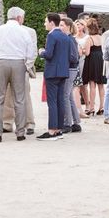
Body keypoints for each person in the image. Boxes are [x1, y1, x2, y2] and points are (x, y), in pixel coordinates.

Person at [0, 7, 36, 143]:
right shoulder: (24, 32)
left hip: (1, 62)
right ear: (19, 18)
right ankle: (20, 132)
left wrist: (0, 57)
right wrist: (25, 64)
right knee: (19, 99)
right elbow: (30, 53)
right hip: (18, 63)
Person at [37, 12, 76, 141]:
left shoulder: (52, 36)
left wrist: (41, 52)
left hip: (52, 72)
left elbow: (49, 54)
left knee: (52, 102)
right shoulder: (65, 36)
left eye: (45, 21)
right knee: (60, 101)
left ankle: (52, 130)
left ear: (52, 22)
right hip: (63, 72)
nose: (44, 24)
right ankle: (59, 129)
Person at [60, 17, 82, 133]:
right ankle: (75, 122)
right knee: (69, 96)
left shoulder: (69, 39)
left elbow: (74, 57)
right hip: (71, 69)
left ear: (68, 26)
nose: (60, 27)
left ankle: (67, 123)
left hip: (70, 69)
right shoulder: (69, 39)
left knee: (65, 96)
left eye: (62, 25)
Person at [74, 19, 90, 119]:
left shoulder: (87, 37)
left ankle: (87, 105)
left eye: (80, 24)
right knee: (76, 86)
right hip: (75, 61)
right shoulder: (73, 37)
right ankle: (77, 106)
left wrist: (81, 50)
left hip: (83, 61)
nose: (78, 26)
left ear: (84, 26)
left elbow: (87, 52)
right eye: (77, 24)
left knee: (83, 85)